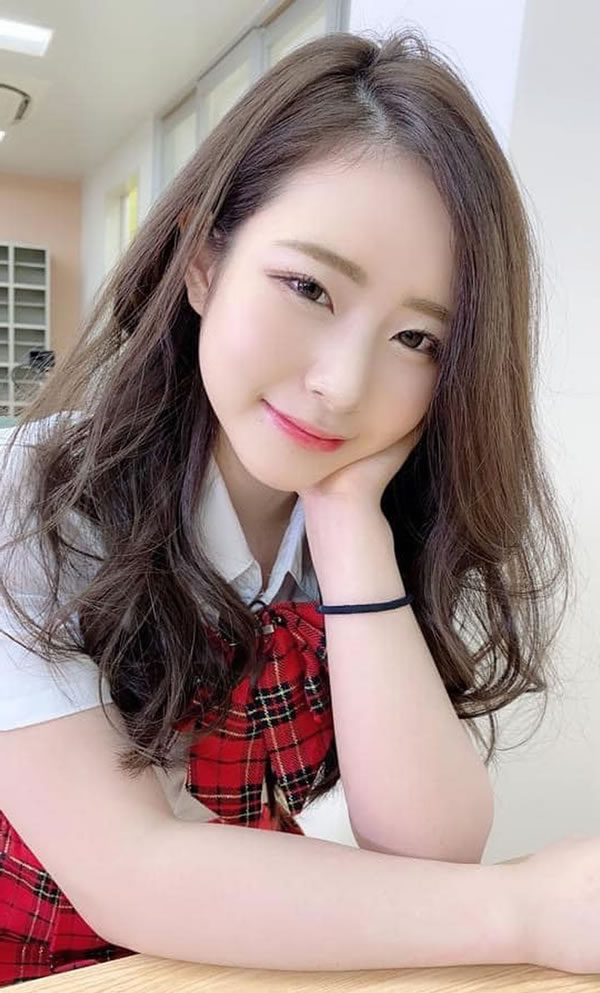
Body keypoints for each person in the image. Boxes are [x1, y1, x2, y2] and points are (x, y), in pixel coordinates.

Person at [0, 28, 598, 985]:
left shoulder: (373, 513)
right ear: (203, 261)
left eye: (417, 340)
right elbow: (134, 871)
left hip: (244, 960)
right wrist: (526, 908)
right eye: (310, 287)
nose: (343, 385)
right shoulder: (34, 492)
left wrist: (350, 521)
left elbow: (432, 845)